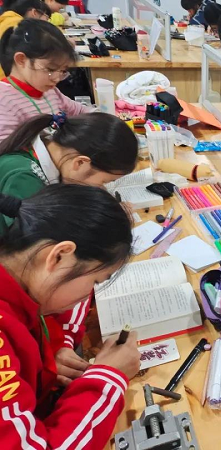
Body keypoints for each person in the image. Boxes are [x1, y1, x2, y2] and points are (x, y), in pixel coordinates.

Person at [0, 112, 138, 385]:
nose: (103, 190)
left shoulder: (37, 159)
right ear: (80, 163)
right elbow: (36, 269)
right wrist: (107, 376)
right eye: (104, 183)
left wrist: (51, 345)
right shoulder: (24, 178)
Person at [0, 183, 141, 449]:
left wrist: (54, 349)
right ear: (59, 256)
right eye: (96, 281)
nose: (89, 295)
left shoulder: (21, 281)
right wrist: (108, 378)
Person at [0, 19, 94, 140]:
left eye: (63, 71)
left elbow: (79, 110)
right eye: (50, 69)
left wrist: (102, 118)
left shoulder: (49, 91)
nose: (57, 79)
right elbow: (6, 148)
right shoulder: (4, 100)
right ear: (21, 60)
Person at [0, 0, 50, 78]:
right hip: (6, 77)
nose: (47, 21)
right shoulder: (20, 26)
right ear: (34, 12)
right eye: (47, 17)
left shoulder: (7, 19)